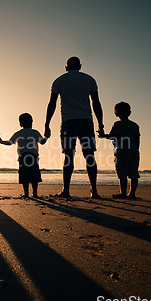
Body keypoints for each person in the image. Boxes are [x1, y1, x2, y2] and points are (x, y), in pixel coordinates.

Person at [44, 56, 104, 199]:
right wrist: (100, 124)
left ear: (66, 67)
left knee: (68, 155)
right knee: (89, 155)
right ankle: (94, 191)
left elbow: (51, 104)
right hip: (86, 121)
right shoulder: (89, 79)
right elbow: (96, 103)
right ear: (80, 66)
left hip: (68, 121)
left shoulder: (59, 80)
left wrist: (47, 124)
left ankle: (66, 190)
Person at [0, 113, 47, 198]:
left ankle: (26, 193)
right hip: (33, 156)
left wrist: (1, 141)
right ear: (32, 122)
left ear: (20, 124)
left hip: (23, 156)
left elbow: (10, 142)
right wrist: (46, 136)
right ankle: (35, 193)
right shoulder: (35, 132)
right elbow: (42, 142)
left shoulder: (18, 133)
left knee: (24, 175)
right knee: (34, 175)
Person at [98, 102, 140, 199]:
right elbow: (137, 139)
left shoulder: (117, 124)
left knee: (122, 174)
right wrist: (136, 149)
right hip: (134, 151)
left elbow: (114, 136)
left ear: (116, 114)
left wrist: (104, 135)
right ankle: (132, 193)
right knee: (134, 173)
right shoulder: (135, 125)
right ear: (129, 113)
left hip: (121, 152)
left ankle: (123, 193)